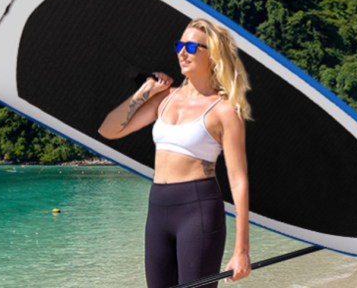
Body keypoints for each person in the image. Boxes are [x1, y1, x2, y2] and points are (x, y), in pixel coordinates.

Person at [98, 18, 251, 287]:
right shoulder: (164, 98)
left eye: (192, 46)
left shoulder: (224, 111)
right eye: (180, 44)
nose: (182, 51)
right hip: (158, 208)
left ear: (213, 54)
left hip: (198, 210)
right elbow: (108, 129)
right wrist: (146, 90)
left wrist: (241, 252)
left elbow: (238, 182)